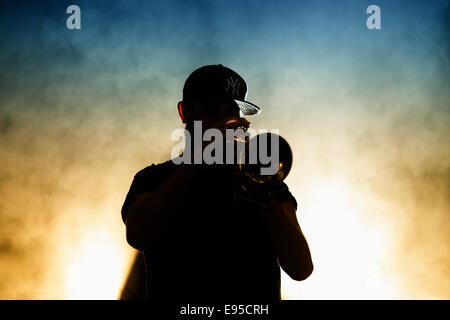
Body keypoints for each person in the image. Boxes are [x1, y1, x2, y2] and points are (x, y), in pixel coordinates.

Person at [121, 64, 313, 300]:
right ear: (185, 113)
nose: (227, 121)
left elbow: (301, 268)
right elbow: (138, 235)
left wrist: (266, 191)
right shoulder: (152, 179)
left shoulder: (264, 183)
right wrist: (198, 160)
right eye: (214, 111)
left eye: (233, 113)